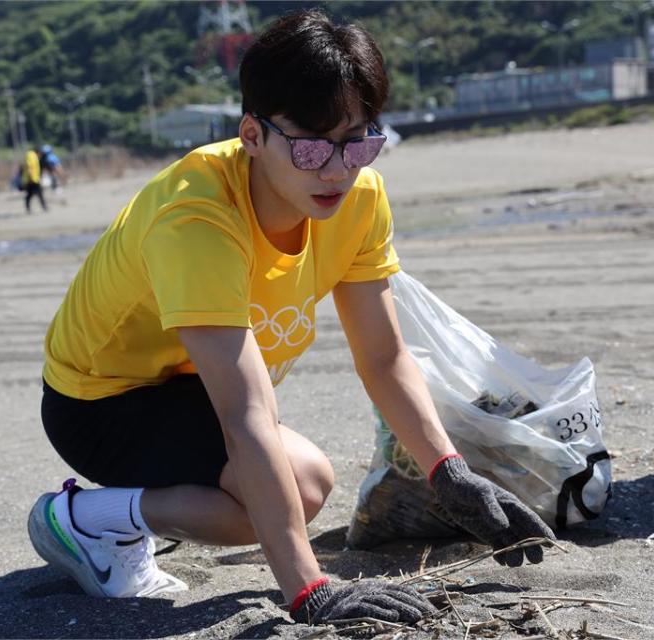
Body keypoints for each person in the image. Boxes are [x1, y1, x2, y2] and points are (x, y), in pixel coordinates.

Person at [28, 9, 555, 626]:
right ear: (253, 134)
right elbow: (244, 412)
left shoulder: (360, 196)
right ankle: (82, 520)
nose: (337, 168)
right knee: (294, 493)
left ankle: (129, 510)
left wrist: (450, 472)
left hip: (190, 384)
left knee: (297, 485)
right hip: (102, 401)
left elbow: (383, 357)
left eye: (359, 139)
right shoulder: (197, 219)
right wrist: (307, 588)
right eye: (310, 146)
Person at [21, 147, 47, 213]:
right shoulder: (31, 157)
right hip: (32, 179)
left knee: (30, 194)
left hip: (33, 179)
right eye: (41, 154)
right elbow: (29, 168)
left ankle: (28, 208)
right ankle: (43, 206)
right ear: (38, 152)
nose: (41, 156)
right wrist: (31, 178)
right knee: (38, 193)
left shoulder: (33, 157)